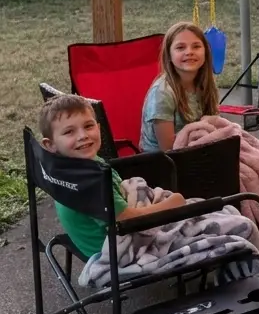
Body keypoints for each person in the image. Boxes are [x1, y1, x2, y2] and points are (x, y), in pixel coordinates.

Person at [39, 94, 188, 260]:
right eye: (69, 132)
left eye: (88, 126)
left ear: (98, 127)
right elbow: (127, 221)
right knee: (207, 214)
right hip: (115, 252)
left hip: (99, 238)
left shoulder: (68, 169)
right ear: (50, 145)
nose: (83, 136)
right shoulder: (89, 183)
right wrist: (174, 203)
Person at [140, 22, 219, 152]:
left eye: (196, 46)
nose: (189, 52)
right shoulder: (163, 93)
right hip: (161, 164)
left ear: (206, 52)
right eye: (180, 47)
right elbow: (168, 149)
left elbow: (214, 127)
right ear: (169, 56)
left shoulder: (205, 84)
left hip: (199, 154)